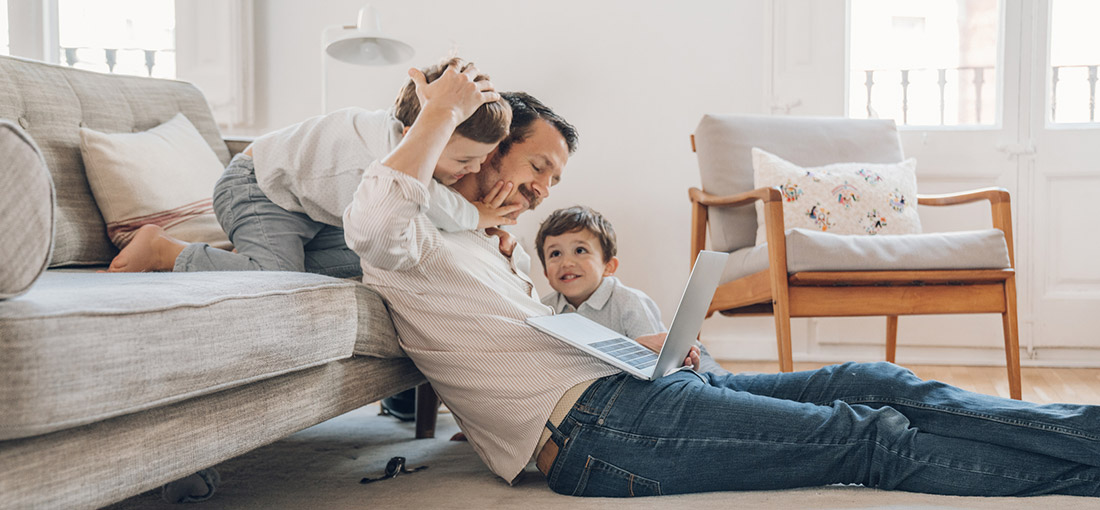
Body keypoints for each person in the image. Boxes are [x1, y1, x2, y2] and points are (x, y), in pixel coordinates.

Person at [344, 76, 1100, 498]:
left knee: (875, 378)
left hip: (629, 392)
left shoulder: (485, 248)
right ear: (479, 148)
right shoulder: (404, 235)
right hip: (593, 435)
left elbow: (530, 345)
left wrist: (633, 346)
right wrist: (443, 112)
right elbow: (377, 222)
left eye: (551, 179)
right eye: (537, 168)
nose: (541, 191)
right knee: (868, 435)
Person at [105, 57, 518, 276]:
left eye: (481, 162)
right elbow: (432, 204)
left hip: (310, 212)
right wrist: (478, 214)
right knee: (277, 276)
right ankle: (164, 250)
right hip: (258, 190)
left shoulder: (400, 138)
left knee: (372, 262)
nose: (470, 171)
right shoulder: (384, 155)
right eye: (464, 161)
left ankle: (241, 255)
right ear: (418, 131)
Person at [534, 205, 728, 374]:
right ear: (545, 272)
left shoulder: (629, 302)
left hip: (686, 356)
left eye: (580, 250)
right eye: (555, 253)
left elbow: (655, 361)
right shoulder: (544, 310)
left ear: (609, 266)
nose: (566, 262)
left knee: (724, 383)